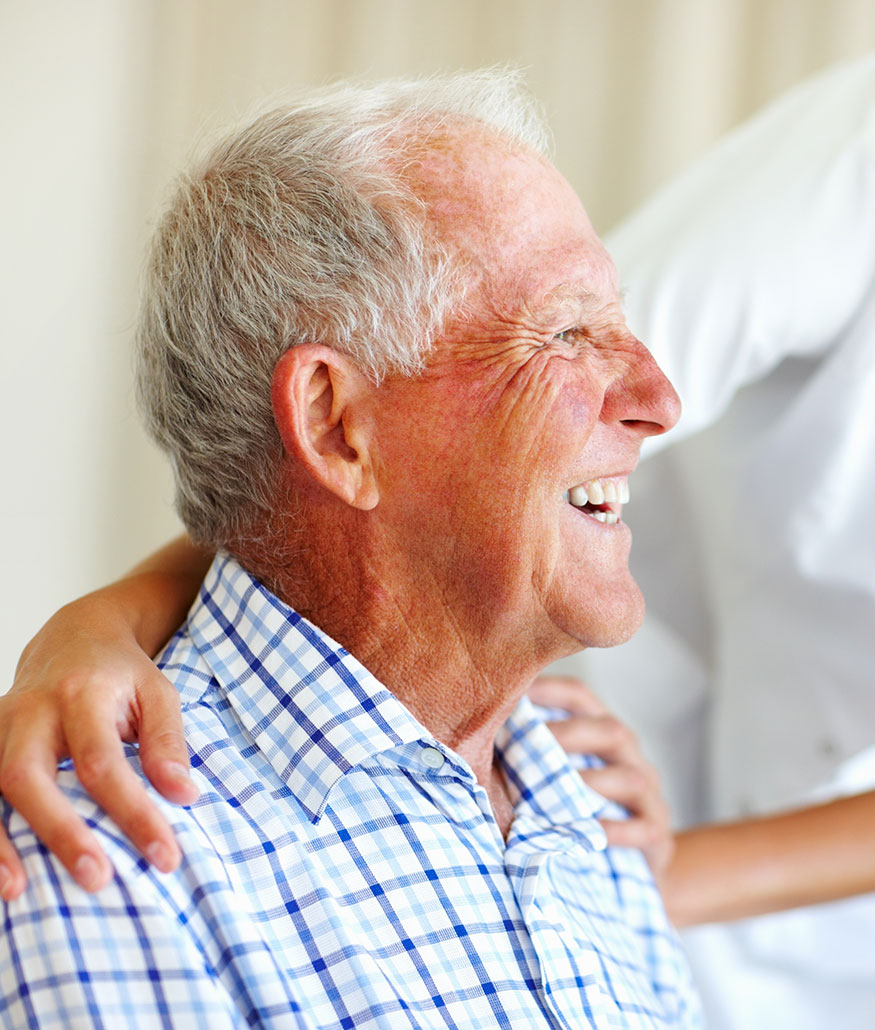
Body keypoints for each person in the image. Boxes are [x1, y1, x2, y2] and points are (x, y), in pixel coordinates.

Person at [6, 0, 875, 1025]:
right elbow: (419, 438)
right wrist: (105, 620)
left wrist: (660, 875)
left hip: (826, 878)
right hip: (592, 722)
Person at [0, 71, 701, 1028]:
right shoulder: (104, 853)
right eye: (568, 331)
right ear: (337, 428)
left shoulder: (580, 800)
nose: (659, 399)